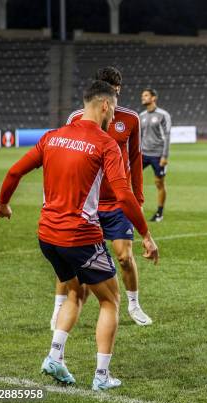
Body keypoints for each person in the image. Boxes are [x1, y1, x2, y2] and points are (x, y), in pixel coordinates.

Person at [0, 80, 159, 391]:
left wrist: (3, 203)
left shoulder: (52, 137)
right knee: (110, 301)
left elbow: (14, 172)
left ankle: (55, 356)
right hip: (80, 236)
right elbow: (124, 196)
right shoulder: (105, 143)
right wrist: (146, 234)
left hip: (48, 236)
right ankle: (101, 377)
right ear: (106, 106)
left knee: (76, 293)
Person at [50, 66, 152, 328]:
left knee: (125, 257)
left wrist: (137, 196)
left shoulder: (130, 119)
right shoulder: (76, 117)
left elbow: (136, 158)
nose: (115, 100)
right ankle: (59, 308)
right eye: (111, 92)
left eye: (118, 92)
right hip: (86, 202)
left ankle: (134, 304)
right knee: (69, 260)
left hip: (118, 202)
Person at [140, 88, 171, 222]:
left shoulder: (163, 115)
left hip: (158, 155)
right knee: (126, 177)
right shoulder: (141, 116)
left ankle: (159, 213)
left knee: (159, 183)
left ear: (153, 98)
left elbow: (167, 136)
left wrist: (164, 156)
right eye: (143, 96)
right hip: (143, 154)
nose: (143, 98)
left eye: (146, 95)